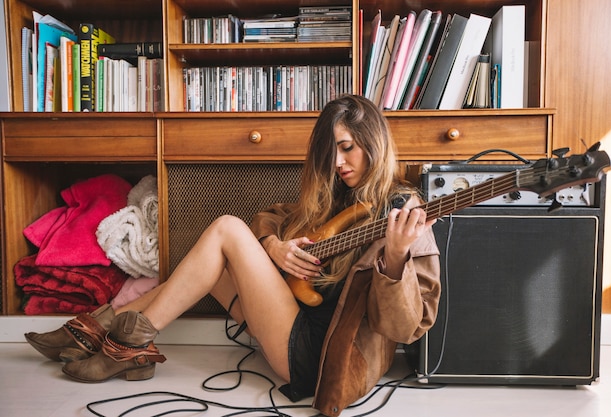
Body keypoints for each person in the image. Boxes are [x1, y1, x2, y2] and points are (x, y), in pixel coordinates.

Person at [24, 94, 441, 417]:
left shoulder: (403, 211)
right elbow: (271, 217)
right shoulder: (335, 196)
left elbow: (405, 329)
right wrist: (273, 248)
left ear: (373, 142)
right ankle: (101, 329)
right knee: (205, 267)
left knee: (226, 229)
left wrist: (397, 258)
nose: (337, 162)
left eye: (347, 148)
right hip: (292, 321)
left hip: (320, 355)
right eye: (330, 153)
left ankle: (126, 343)